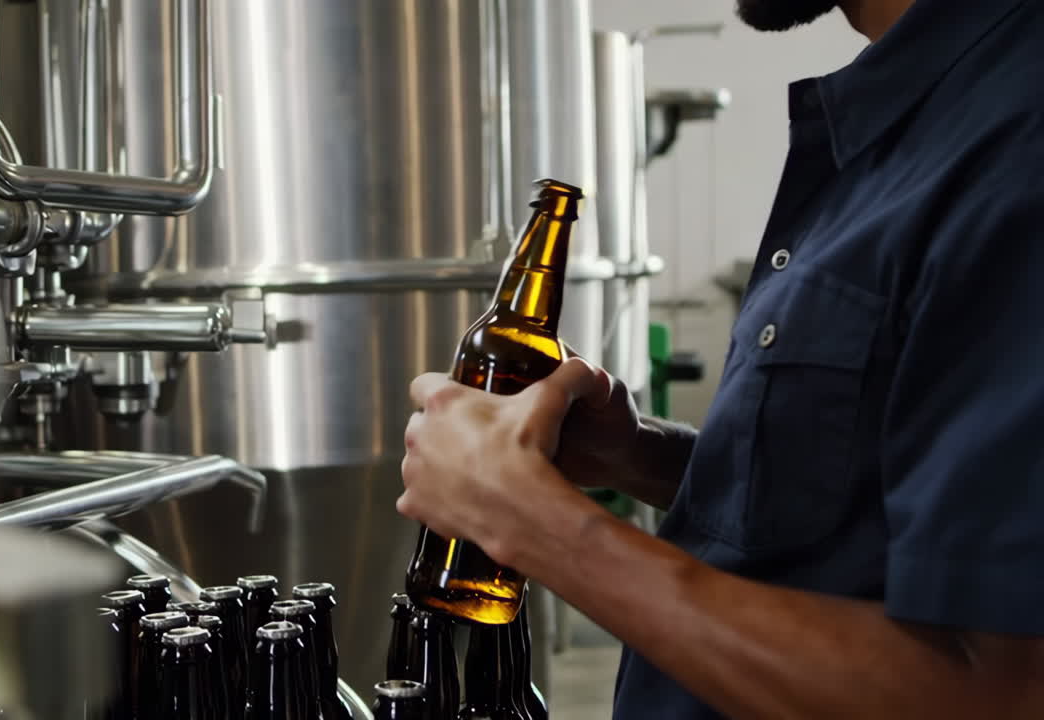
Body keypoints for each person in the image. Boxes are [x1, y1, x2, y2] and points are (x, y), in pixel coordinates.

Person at [396, 0, 1044, 717]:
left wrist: (532, 524)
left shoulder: (1015, 138)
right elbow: (869, 519)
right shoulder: (918, 109)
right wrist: (641, 456)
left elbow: (997, 690)